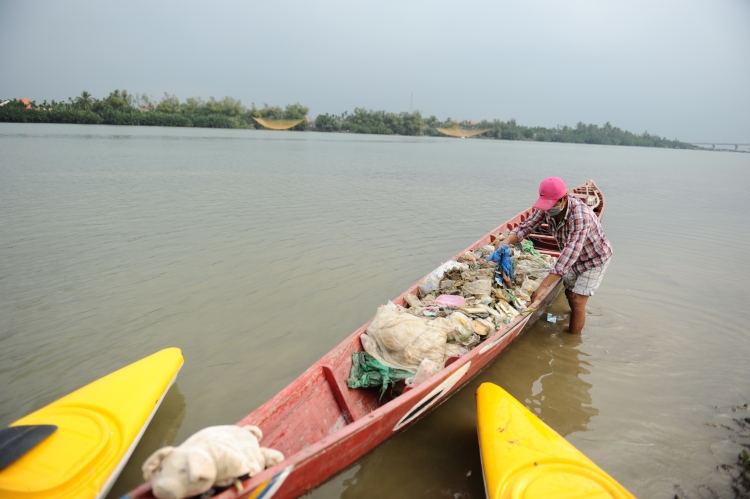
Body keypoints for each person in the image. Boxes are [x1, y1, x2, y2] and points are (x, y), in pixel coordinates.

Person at [496, 177, 612, 334]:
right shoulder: (546, 208)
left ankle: (572, 337)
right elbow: (527, 226)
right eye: (546, 205)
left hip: (594, 259)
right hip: (574, 258)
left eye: (552, 205)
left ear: (563, 199)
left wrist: (543, 287)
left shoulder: (580, 216)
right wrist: (506, 240)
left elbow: (568, 256)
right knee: (569, 293)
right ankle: (572, 330)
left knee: (577, 301)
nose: (548, 209)